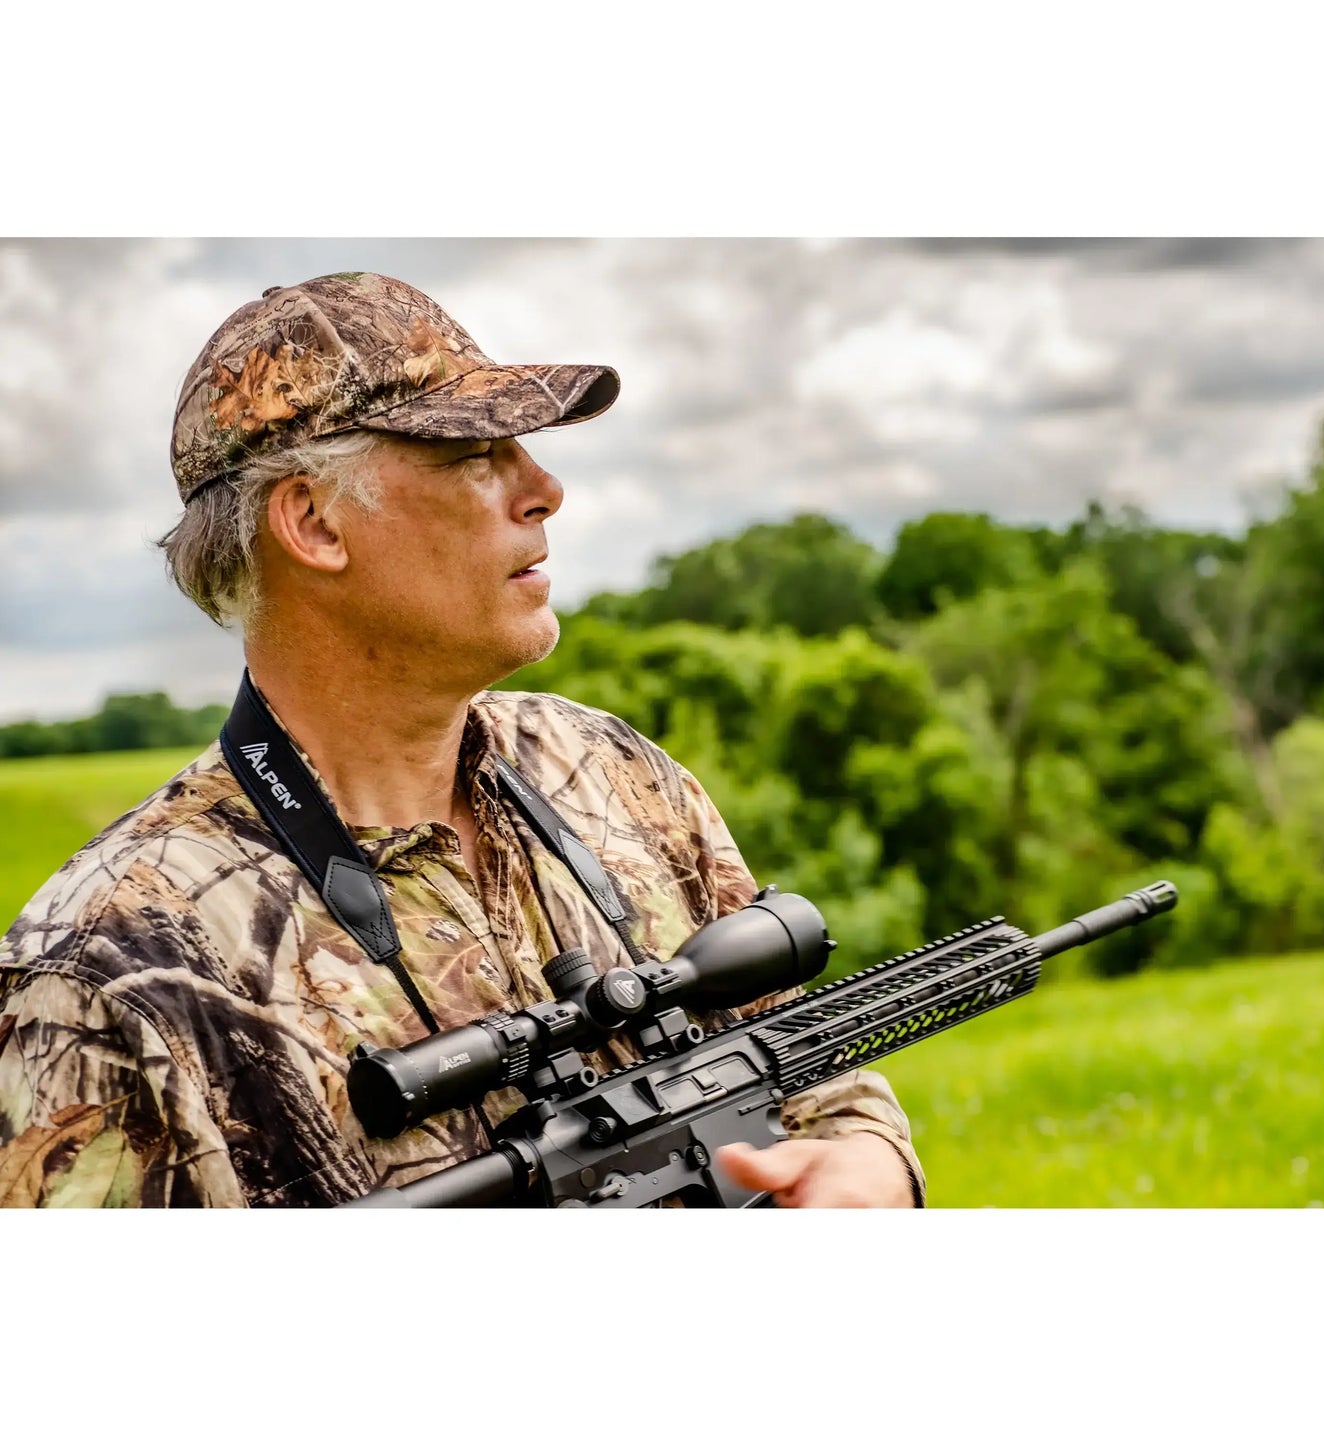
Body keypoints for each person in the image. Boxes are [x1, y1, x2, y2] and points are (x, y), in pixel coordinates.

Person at [0, 272, 923, 1209]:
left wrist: (867, 1165)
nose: (544, 488)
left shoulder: (608, 771)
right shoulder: (105, 977)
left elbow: (814, 1078)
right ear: (315, 522)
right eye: (474, 453)